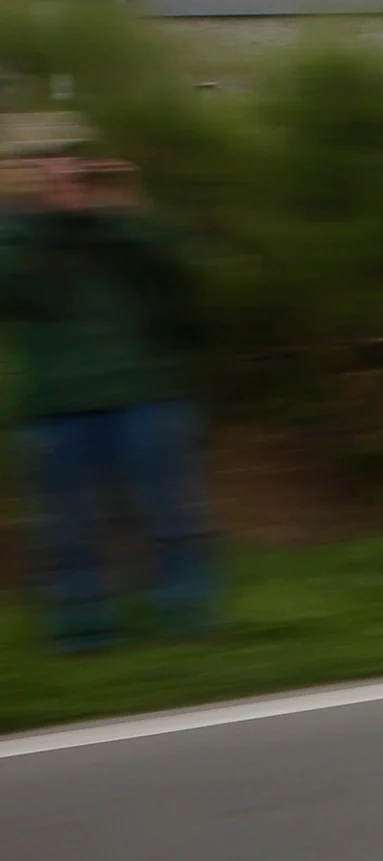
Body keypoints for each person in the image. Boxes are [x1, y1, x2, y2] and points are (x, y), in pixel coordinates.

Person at [0, 117, 217, 651]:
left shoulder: (126, 223)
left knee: (169, 512)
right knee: (68, 526)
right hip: (60, 401)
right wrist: (52, 219)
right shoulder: (16, 231)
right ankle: (84, 629)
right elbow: (20, 290)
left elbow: (172, 274)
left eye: (71, 163)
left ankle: (186, 614)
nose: (62, 175)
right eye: (47, 165)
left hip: (147, 392)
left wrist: (115, 206)